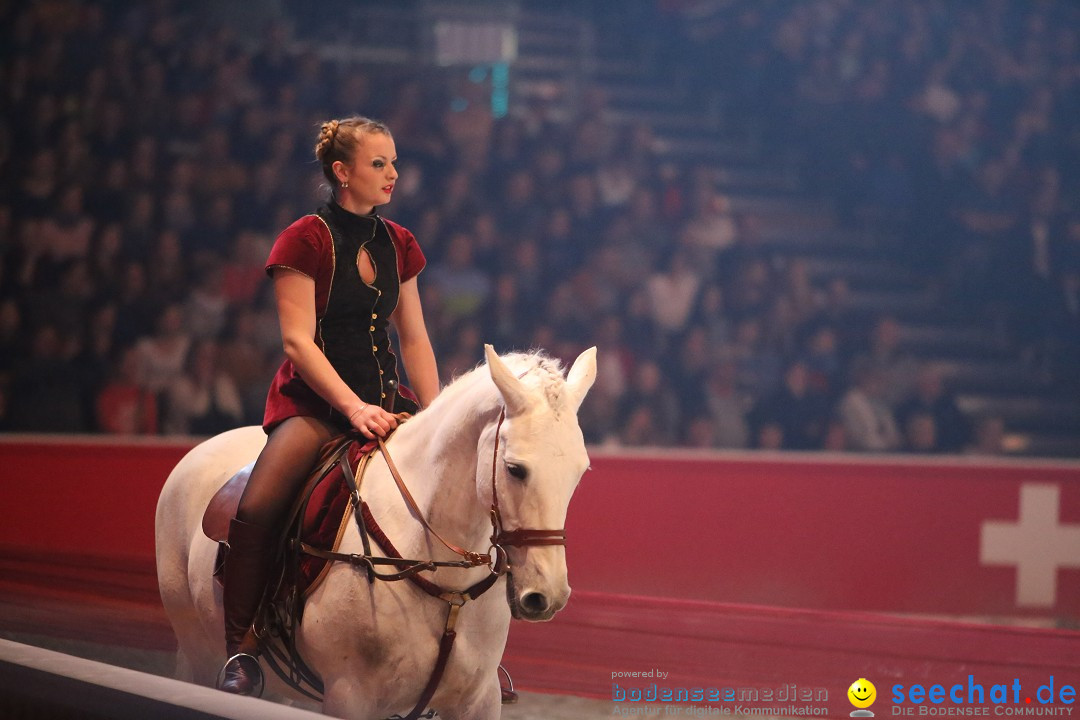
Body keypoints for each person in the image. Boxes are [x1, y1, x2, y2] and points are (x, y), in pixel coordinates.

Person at [218, 116, 440, 695]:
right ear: (341, 172)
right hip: (315, 403)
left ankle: (469, 647)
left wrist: (437, 416)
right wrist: (353, 407)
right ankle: (241, 648)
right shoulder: (305, 238)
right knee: (261, 506)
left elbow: (413, 338)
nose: (392, 173)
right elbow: (298, 341)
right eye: (378, 164)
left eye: (394, 162)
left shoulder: (400, 242)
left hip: (389, 399)